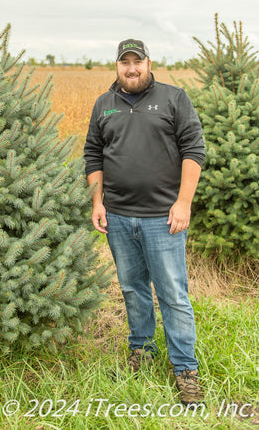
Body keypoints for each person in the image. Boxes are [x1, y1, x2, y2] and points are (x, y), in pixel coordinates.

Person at [83, 39, 205, 406]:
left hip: (162, 218)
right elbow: (93, 153)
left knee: (172, 294)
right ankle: (141, 351)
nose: (131, 68)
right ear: (117, 66)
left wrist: (183, 203)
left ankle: (185, 369)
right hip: (118, 216)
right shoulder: (104, 105)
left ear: (149, 63)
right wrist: (98, 202)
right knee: (133, 289)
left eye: (138, 62)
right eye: (125, 63)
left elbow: (194, 149)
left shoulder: (173, 98)